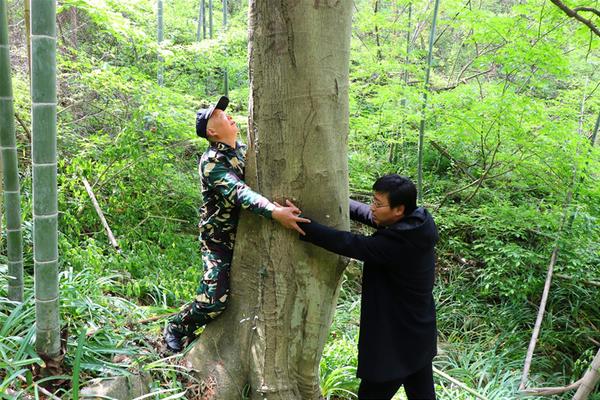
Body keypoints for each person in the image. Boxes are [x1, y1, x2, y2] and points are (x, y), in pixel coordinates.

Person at [164, 96, 309, 352]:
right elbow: (239, 192)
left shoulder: (244, 151)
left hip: (249, 236)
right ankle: (177, 325)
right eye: (220, 116)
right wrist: (275, 212)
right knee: (213, 300)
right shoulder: (211, 162)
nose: (229, 116)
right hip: (218, 241)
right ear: (211, 131)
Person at [294, 174, 438, 400]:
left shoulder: (396, 244)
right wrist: (342, 201)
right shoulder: (418, 222)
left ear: (399, 210)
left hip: (394, 342)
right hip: (418, 335)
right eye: (373, 200)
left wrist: (301, 223)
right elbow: (368, 215)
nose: (372, 207)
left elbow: (350, 244)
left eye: (378, 204)